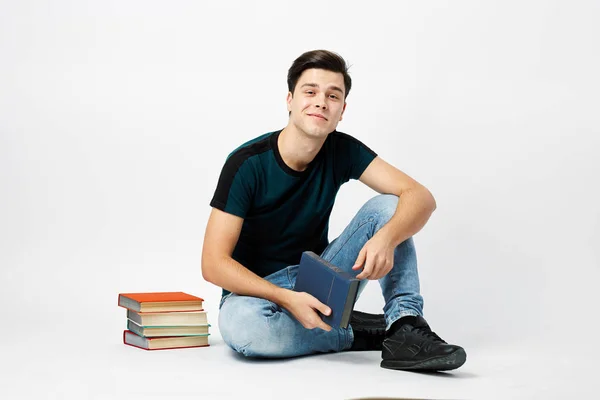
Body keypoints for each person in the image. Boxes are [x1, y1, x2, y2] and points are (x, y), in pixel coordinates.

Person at [201, 49, 466, 371]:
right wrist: (286, 298)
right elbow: (213, 264)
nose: (320, 102)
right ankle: (357, 333)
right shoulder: (246, 164)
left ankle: (405, 325)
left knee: (392, 207)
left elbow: (420, 197)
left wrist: (386, 239)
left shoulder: (342, 149)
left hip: (317, 279)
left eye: (333, 95)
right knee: (246, 332)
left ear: (341, 110)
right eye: (310, 92)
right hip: (255, 293)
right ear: (290, 100)